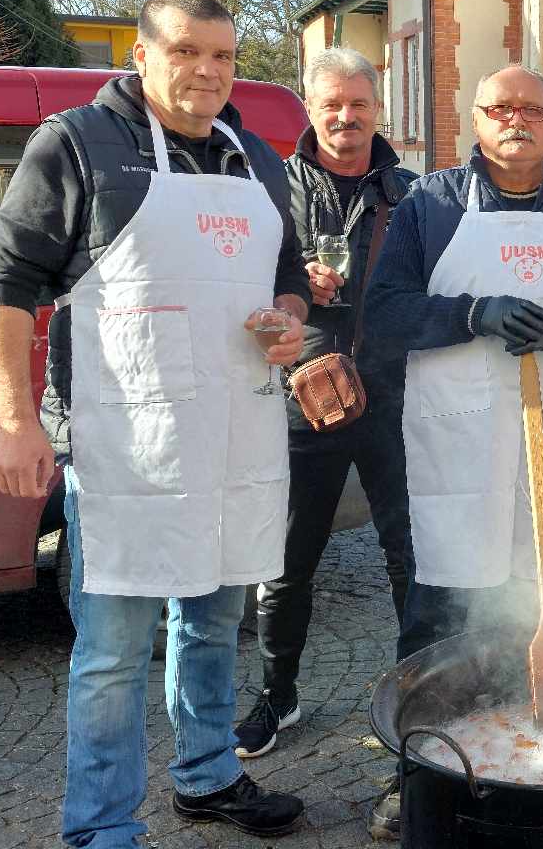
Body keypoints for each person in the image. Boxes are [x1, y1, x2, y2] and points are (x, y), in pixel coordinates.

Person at [0, 0, 311, 848]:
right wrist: (15, 421)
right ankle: (100, 828)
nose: (207, 71)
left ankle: (207, 776)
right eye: (186, 51)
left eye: (224, 56)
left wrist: (288, 321)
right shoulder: (77, 144)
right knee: (112, 654)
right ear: (140, 53)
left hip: (234, 432)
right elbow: (8, 285)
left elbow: (286, 272)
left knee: (210, 625)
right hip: (124, 442)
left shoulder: (254, 156)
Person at [365, 64, 543, 653]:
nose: (516, 120)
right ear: (475, 120)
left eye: (532, 110)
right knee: (446, 610)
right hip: (460, 447)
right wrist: (472, 315)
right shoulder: (432, 203)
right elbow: (385, 312)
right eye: (501, 109)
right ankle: (430, 737)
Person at [235, 47, 418, 764]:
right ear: (310, 110)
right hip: (302, 397)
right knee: (285, 560)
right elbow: (234, 293)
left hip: (395, 395)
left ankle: (419, 691)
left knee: (410, 557)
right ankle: (278, 695)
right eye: (332, 104)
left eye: (359, 104)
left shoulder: (413, 193)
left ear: (378, 109)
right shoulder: (268, 188)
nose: (346, 117)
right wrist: (283, 291)